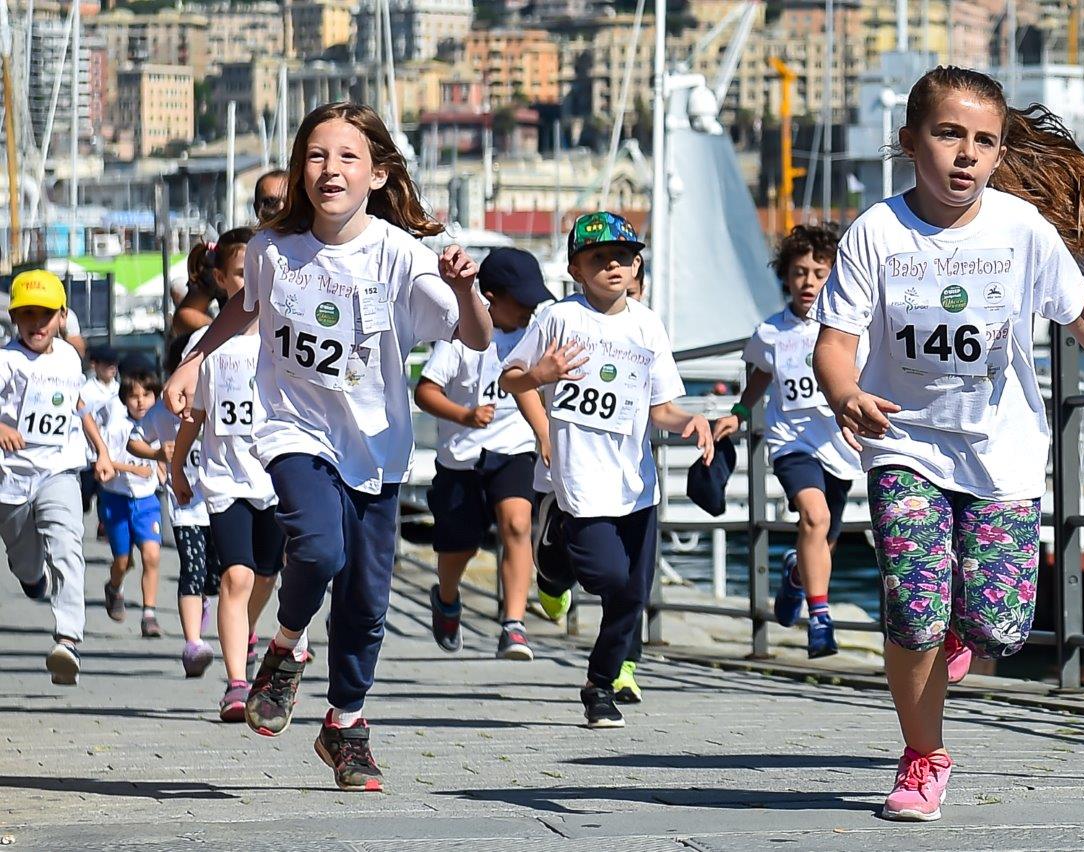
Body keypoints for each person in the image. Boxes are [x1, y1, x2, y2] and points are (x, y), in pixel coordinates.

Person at [811, 66, 1084, 822]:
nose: (966, 154)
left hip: (1002, 451)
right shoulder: (877, 233)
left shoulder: (1020, 229)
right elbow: (834, 344)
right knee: (912, 608)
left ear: (1000, 150)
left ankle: (956, 631)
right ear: (911, 141)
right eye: (949, 134)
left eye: (984, 140)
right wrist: (845, 392)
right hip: (904, 444)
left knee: (999, 627)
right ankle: (923, 758)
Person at [163, 102, 490, 791]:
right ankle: (283, 647)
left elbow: (477, 337)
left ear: (377, 173)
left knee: (368, 600)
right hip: (291, 428)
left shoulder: (400, 255)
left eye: (346, 156)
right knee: (317, 548)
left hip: (375, 446)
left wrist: (466, 290)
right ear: (298, 170)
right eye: (316, 155)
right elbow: (242, 307)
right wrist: (194, 361)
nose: (329, 169)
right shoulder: (274, 250)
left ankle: (344, 725)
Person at [500, 211, 712, 729]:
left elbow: (661, 407)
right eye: (599, 258)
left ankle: (600, 684)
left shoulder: (646, 324)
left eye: (624, 256)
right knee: (608, 577)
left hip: (636, 484)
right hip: (580, 478)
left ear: (637, 265)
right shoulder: (559, 318)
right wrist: (541, 374)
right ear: (576, 269)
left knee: (633, 594)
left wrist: (693, 422)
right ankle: (552, 563)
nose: (613, 265)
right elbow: (510, 377)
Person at [713, 224, 862, 659]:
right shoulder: (770, 333)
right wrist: (740, 412)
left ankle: (797, 574)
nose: (808, 282)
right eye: (799, 272)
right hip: (792, 443)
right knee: (813, 518)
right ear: (786, 276)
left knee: (823, 539)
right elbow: (760, 374)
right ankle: (819, 621)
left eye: (819, 272)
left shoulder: (848, 330)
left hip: (839, 446)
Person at [171, 226, 286, 722]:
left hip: (276, 478)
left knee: (267, 574)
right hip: (225, 480)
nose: (251, 282)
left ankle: (248, 628)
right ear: (220, 279)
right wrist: (177, 467)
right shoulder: (203, 344)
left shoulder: (283, 334)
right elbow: (193, 415)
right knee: (235, 576)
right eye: (242, 274)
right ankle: (237, 683)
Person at [417, 247, 553, 660]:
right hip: (461, 458)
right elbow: (425, 391)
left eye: (534, 300)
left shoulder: (533, 336)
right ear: (491, 296)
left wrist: (545, 434)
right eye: (521, 300)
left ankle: (513, 624)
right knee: (460, 545)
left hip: (511, 449)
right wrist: (465, 414)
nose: (529, 308)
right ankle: (446, 597)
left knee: (517, 524)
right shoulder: (463, 338)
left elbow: (534, 388)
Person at [0, 270, 115, 685]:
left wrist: (101, 450)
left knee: (68, 545)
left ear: (62, 316)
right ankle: (33, 578)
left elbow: (79, 404)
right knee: (25, 559)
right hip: (11, 479)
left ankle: (68, 639)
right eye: (27, 314)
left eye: (45, 314)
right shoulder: (6, 361)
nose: (37, 323)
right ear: (14, 318)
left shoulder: (68, 357)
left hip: (59, 469)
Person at [129, 335, 221, 677]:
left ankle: (203, 603)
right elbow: (133, 440)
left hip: (220, 502)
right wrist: (157, 454)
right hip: (185, 508)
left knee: (217, 575)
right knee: (191, 572)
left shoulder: (214, 402)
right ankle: (193, 644)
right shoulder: (161, 413)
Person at [97, 369, 164, 638]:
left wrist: (162, 468)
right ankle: (114, 587)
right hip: (117, 499)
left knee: (152, 555)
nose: (140, 401)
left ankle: (149, 614)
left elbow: (164, 451)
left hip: (147, 501)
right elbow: (104, 460)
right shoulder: (116, 427)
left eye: (147, 395)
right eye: (134, 396)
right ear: (124, 399)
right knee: (122, 561)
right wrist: (132, 469)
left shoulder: (159, 424)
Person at [79, 345, 119, 513]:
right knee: (85, 496)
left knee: (108, 495)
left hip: (114, 454)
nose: (112, 368)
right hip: (91, 455)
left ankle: (105, 525)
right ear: (95, 365)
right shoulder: (87, 391)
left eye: (114, 364)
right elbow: (84, 421)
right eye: (107, 364)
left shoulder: (119, 389)